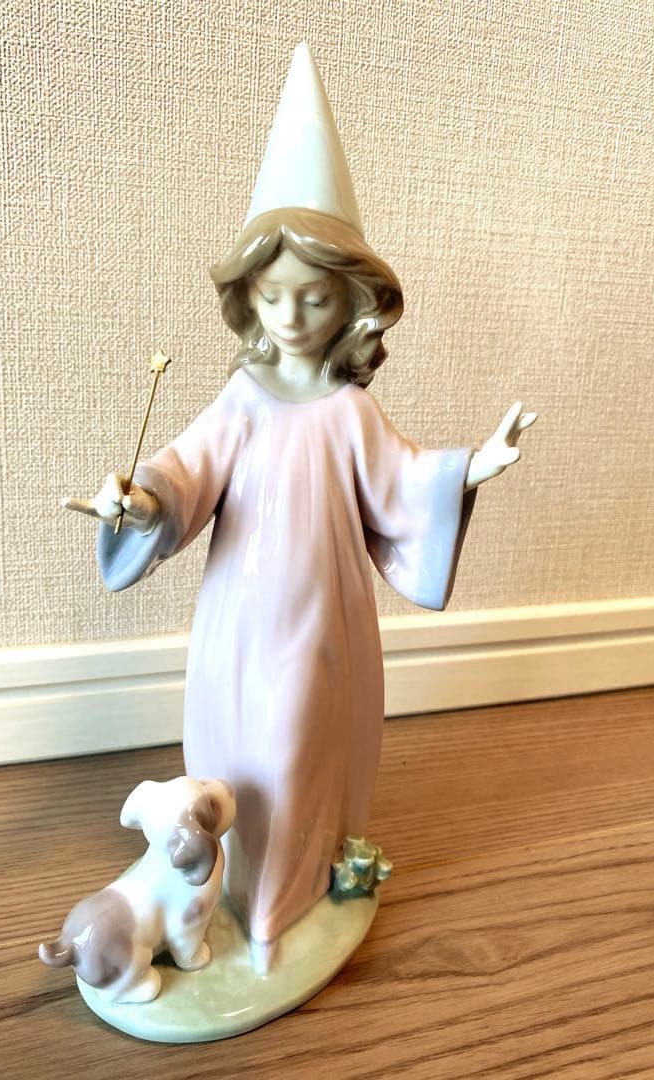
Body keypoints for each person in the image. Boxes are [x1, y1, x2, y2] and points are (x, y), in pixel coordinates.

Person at [63, 46, 535, 974]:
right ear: (248, 299)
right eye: (272, 296)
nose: (289, 316)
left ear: (351, 304)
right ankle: (221, 887)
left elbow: (404, 481)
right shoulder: (242, 399)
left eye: (313, 298)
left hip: (321, 623)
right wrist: (140, 500)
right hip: (236, 621)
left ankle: (283, 908)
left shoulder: (348, 411)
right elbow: (184, 469)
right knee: (230, 750)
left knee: (295, 745)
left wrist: (471, 467)